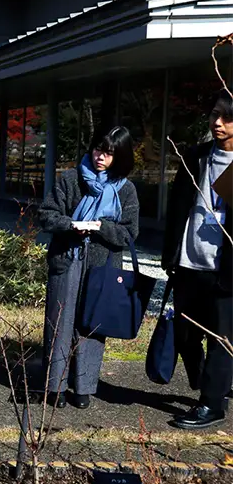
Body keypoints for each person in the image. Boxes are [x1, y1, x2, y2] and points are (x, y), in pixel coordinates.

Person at [38, 127, 138, 409]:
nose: (100, 157)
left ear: (120, 157)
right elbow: (46, 215)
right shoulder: (71, 178)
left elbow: (129, 233)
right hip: (66, 258)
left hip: (102, 265)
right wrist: (71, 225)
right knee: (59, 322)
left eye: (109, 153)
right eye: (97, 149)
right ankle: (54, 385)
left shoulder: (126, 189)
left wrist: (100, 227)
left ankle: (84, 386)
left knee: (92, 325)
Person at [162, 91, 233, 429]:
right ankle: (213, 384)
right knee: (186, 335)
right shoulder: (196, 157)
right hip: (189, 262)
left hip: (226, 269)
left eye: (227, 117)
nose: (217, 122)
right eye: (214, 114)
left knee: (221, 337)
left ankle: (212, 404)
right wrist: (170, 255)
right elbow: (176, 208)